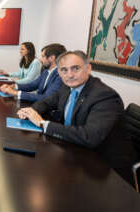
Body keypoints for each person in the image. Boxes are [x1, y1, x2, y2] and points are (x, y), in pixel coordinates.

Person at [17, 50, 136, 185]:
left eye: (76, 68)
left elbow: (89, 137)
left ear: (88, 68)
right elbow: (47, 102)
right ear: (59, 73)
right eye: (64, 70)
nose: (70, 75)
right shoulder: (67, 87)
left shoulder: (105, 96)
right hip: (76, 151)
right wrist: (31, 111)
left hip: (105, 168)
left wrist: (42, 124)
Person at [0, 43, 66, 102]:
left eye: (43, 56)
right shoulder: (46, 71)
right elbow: (32, 85)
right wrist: (14, 86)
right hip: (39, 104)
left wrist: (15, 93)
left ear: (51, 58)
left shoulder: (60, 76)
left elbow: (46, 98)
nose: (40, 59)